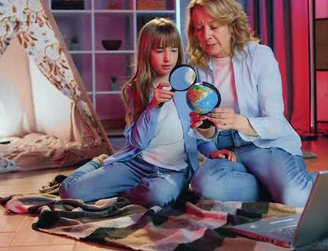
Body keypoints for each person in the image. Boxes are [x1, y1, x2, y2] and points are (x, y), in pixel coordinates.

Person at [59, 18, 213, 208]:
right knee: (69, 191)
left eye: (173, 50)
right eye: (159, 51)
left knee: (156, 197)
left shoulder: (189, 87)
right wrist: (153, 106)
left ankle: (122, 191)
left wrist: (214, 152)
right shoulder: (136, 89)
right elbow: (138, 142)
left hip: (173, 171)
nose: (168, 58)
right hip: (136, 163)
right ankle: (99, 163)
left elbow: (196, 133)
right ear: (146, 53)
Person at [186, 0, 316, 207]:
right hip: (230, 153)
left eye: (214, 27)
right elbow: (205, 136)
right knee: (205, 186)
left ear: (231, 25)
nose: (206, 35)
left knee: (297, 199)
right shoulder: (196, 69)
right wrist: (204, 129)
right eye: (199, 28)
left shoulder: (260, 55)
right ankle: (274, 186)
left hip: (266, 145)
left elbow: (276, 123)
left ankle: (299, 184)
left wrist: (239, 121)